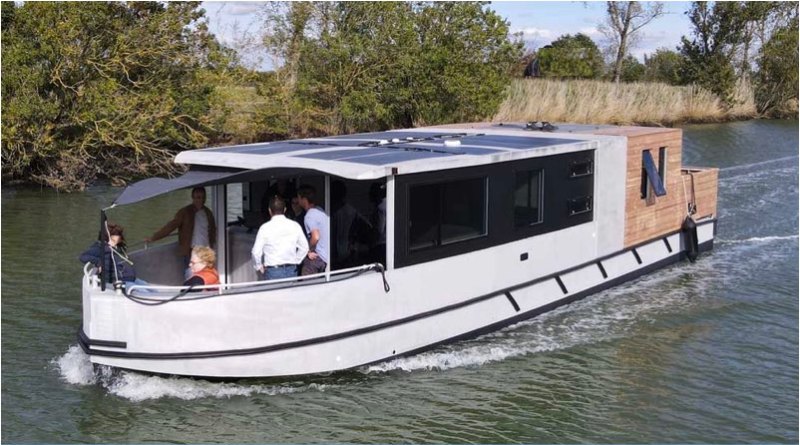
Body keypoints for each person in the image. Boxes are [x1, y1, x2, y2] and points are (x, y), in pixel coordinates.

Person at [145, 187, 216, 270]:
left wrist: (212, 247)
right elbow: (171, 226)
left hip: (205, 251)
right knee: (190, 275)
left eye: (202, 198)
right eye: (197, 197)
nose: (200, 200)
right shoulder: (185, 212)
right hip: (190, 251)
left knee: (206, 275)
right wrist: (154, 237)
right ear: (192, 198)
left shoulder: (208, 213)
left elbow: (212, 231)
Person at [251, 196, 309, 280]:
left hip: (273, 271)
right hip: (291, 270)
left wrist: (258, 266)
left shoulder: (265, 228)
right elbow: (304, 247)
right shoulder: (295, 225)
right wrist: (296, 260)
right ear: (285, 209)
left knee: (274, 293)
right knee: (290, 293)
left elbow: (255, 252)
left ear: (269, 210)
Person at [79, 223, 145, 288]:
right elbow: (83, 256)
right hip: (121, 281)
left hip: (131, 278)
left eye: (118, 240)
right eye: (113, 241)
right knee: (142, 293)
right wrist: (100, 262)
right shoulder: (99, 247)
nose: (115, 243)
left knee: (149, 288)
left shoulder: (119, 248)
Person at [297, 184, 330, 275]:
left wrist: (308, 250)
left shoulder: (309, 216)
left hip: (316, 257)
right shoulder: (320, 210)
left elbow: (315, 236)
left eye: (299, 198)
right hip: (324, 257)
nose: (298, 200)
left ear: (304, 199)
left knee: (307, 285)